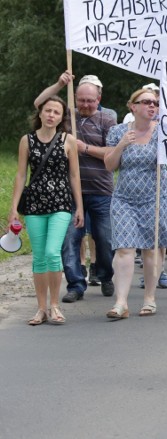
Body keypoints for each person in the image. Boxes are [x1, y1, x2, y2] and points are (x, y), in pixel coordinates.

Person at [34, 72, 117, 303]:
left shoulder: (107, 120)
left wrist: (85, 148)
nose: (86, 104)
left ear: (99, 99)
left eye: (90, 100)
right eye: (81, 100)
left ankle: (105, 275)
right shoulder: (67, 116)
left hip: (101, 190)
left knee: (105, 239)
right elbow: (39, 104)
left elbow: (114, 153)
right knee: (69, 239)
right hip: (68, 192)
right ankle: (75, 285)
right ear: (76, 98)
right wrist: (60, 84)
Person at [103, 88, 167, 319]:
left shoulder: (165, 132)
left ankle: (149, 298)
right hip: (125, 199)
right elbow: (109, 165)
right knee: (124, 248)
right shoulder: (117, 132)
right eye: (146, 102)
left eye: (155, 102)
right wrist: (122, 145)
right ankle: (121, 302)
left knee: (151, 249)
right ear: (132, 106)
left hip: (155, 199)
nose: (152, 106)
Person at [9, 96, 84, 325]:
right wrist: (13, 207)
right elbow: (21, 175)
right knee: (39, 257)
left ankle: (55, 305)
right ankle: (41, 308)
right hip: (34, 205)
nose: (51, 115)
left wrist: (79, 206)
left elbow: (74, 175)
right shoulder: (27, 141)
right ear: (40, 113)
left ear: (62, 118)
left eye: (57, 112)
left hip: (61, 203)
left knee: (53, 252)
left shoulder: (67, 140)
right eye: (48, 111)